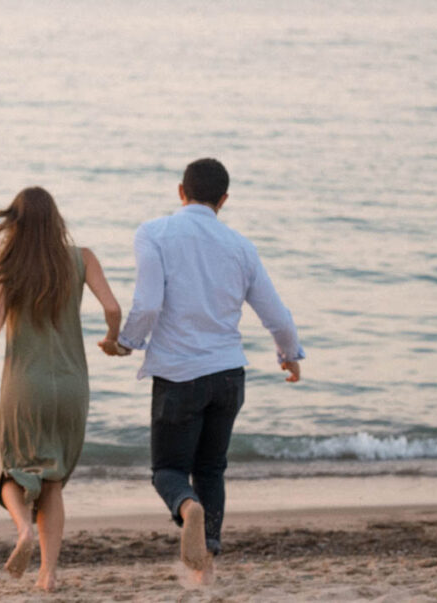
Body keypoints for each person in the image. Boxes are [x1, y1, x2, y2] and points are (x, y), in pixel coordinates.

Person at [105, 158, 304, 583]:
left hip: (179, 374)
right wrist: (289, 354)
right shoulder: (241, 246)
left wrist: (127, 342)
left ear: (181, 191)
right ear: (224, 200)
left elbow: (149, 304)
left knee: (169, 472)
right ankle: (206, 569)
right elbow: (276, 315)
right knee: (211, 469)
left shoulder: (153, 233)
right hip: (230, 374)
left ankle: (187, 508)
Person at [0, 186, 123, 592]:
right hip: (71, 386)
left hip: (24, 386)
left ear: (16, 223)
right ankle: (48, 575)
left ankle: (24, 530)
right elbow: (113, 308)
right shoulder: (82, 258)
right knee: (53, 478)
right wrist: (113, 340)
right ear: (56, 219)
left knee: (11, 468)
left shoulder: (7, 267)